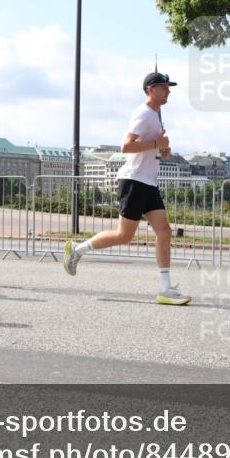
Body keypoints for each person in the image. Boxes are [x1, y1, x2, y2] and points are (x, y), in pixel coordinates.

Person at [63, 72, 191, 305]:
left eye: (168, 87)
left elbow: (149, 149)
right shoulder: (143, 114)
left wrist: (162, 151)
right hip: (134, 181)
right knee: (124, 236)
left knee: (165, 232)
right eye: (164, 87)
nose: (169, 91)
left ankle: (165, 289)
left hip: (148, 182)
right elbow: (126, 146)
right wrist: (155, 144)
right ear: (150, 90)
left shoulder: (155, 116)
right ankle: (76, 250)